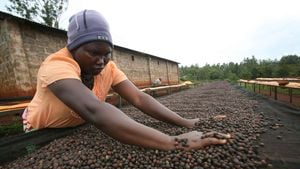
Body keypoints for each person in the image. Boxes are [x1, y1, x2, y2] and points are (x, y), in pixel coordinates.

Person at [22, 9, 230, 151]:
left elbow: (139, 99)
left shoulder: (108, 68)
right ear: (73, 48)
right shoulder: (56, 65)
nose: (101, 61)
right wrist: (173, 142)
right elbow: (94, 109)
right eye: (93, 53)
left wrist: (185, 123)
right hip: (38, 136)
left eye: (106, 54)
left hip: (78, 127)